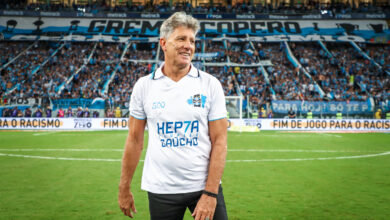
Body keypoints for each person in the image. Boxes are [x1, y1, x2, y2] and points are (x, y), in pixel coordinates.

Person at [118, 12, 228, 220]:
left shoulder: (210, 84)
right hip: (161, 190)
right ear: (163, 43)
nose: (189, 45)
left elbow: (220, 141)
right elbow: (134, 140)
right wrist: (124, 187)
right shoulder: (144, 86)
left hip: (202, 187)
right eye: (181, 39)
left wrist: (211, 193)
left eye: (192, 41)